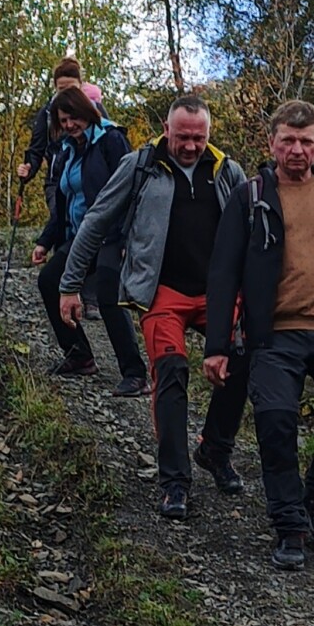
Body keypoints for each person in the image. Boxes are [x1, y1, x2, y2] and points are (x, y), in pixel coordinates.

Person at [205, 101, 314, 568]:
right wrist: (217, 346)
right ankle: (289, 526)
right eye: (288, 140)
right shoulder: (250, 197)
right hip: (274, 334)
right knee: (276, 420)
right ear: (272, 143)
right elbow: (223, 274)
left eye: (306, 142)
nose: (297, 150)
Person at [59, 94, 248, 521]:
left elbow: (253, 232)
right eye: (183, 137)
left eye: (199, 137)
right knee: (171, 370)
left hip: (216, 294)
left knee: (245, 356)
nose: (191, 146)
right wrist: (70, 285)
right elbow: (96, 220)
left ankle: (215, 449)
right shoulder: (140, 166)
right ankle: (174, 482)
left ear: (209, 134)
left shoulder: (228, 171)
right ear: (166, 130)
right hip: (162, 292)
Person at [33, 86, 148, 394]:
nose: (70, 125)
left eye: (74, 117)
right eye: (63, 120)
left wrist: (125, 237)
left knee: (109, 293)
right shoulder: (66, 150)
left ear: (87, 112)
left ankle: (135, 373)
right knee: (50, 281)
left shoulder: (111, 140)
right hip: (80, 237)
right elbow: (62, 201)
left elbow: (131, 189)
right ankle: (79, 355)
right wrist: (45, 241)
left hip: (111, 234)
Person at [18, 58, 102, 319]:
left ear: (80, 85)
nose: (65, 93)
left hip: (88, 179)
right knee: (62, 223)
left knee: (89, 229)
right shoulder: (47, 113)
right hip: (57, 179)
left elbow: (106, 139)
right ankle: (64, 290)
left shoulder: (94, 109)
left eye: (71, 87)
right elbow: (37, 147)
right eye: (60, 88)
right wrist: (29, 169)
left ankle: (90, 295)